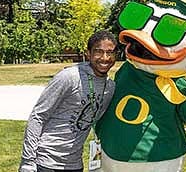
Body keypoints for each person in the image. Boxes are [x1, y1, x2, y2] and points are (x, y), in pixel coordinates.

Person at [19, 30, 117, 172]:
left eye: (110, 52)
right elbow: (38, 116)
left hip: (74, 165)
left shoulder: (110, 87)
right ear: (88, 54)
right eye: (99, 52)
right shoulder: (70, 77)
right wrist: (28, 162)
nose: (105, 57)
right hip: (45, 162)